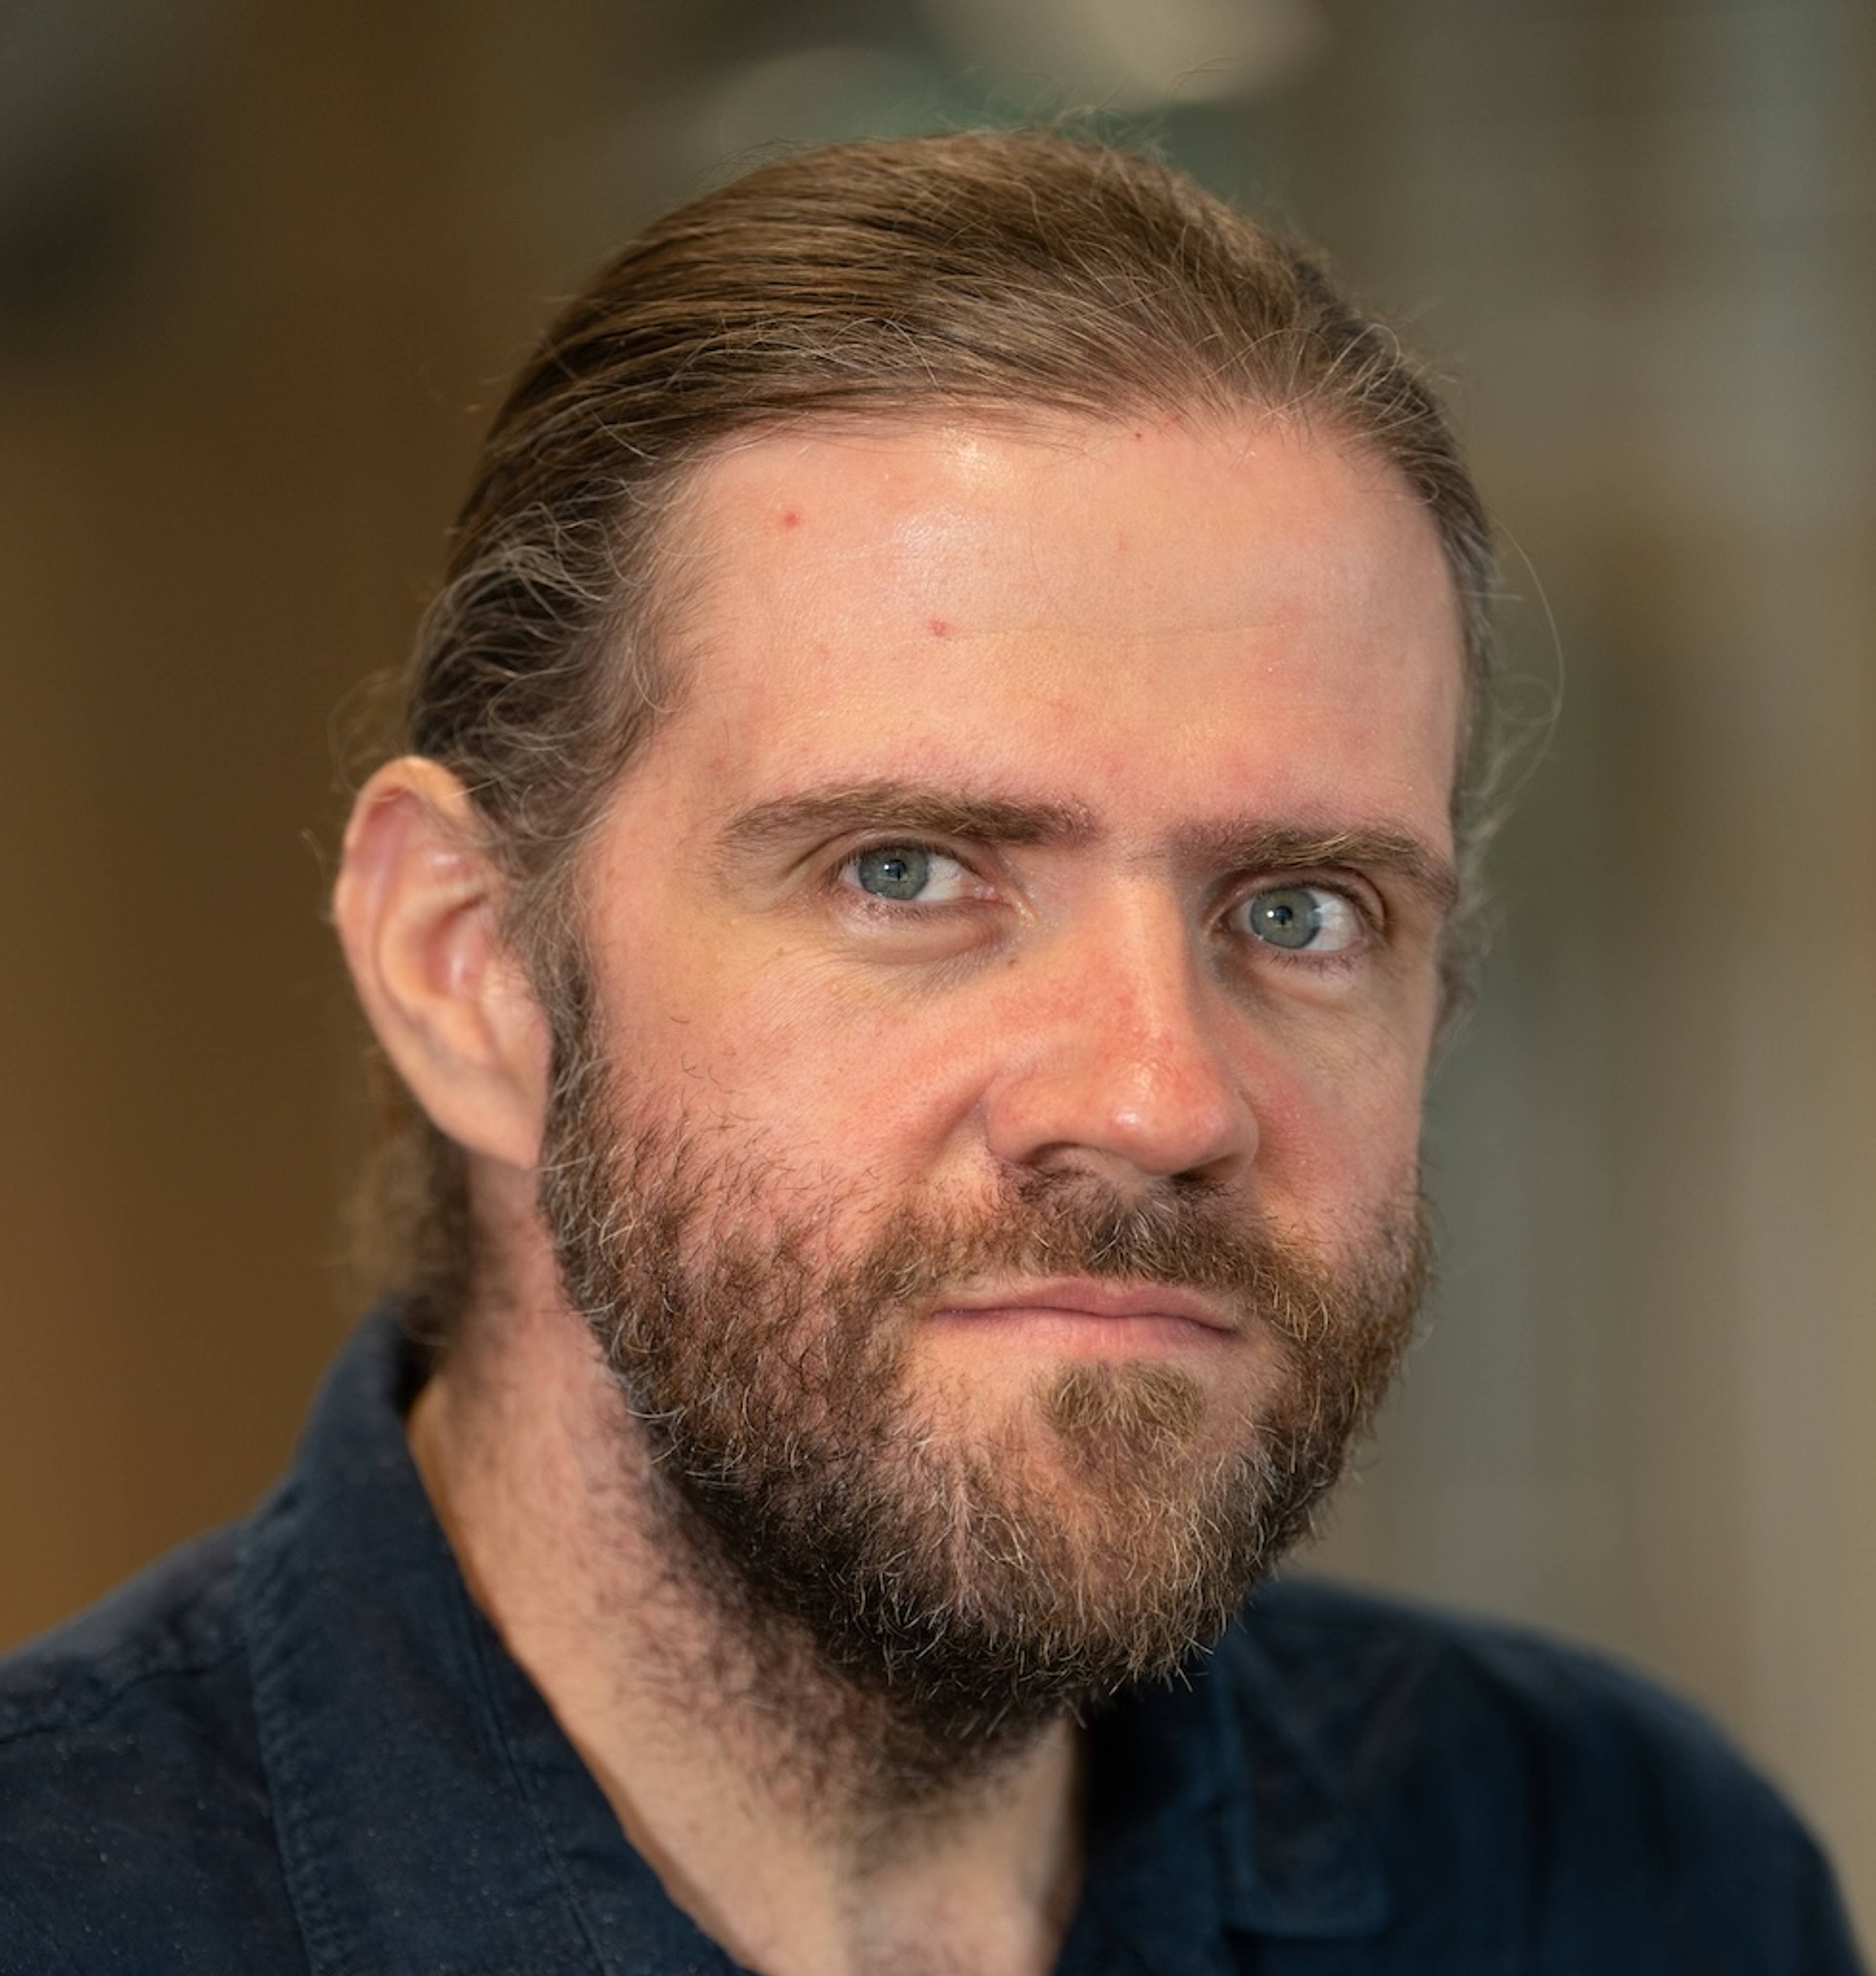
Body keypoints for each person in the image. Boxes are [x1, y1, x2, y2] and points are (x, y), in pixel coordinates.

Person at [0, 131, 1861, 1976]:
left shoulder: (1617, 1879)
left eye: (1299, 911)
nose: (1160, 1099)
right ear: (469, 966)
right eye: (909, 873)